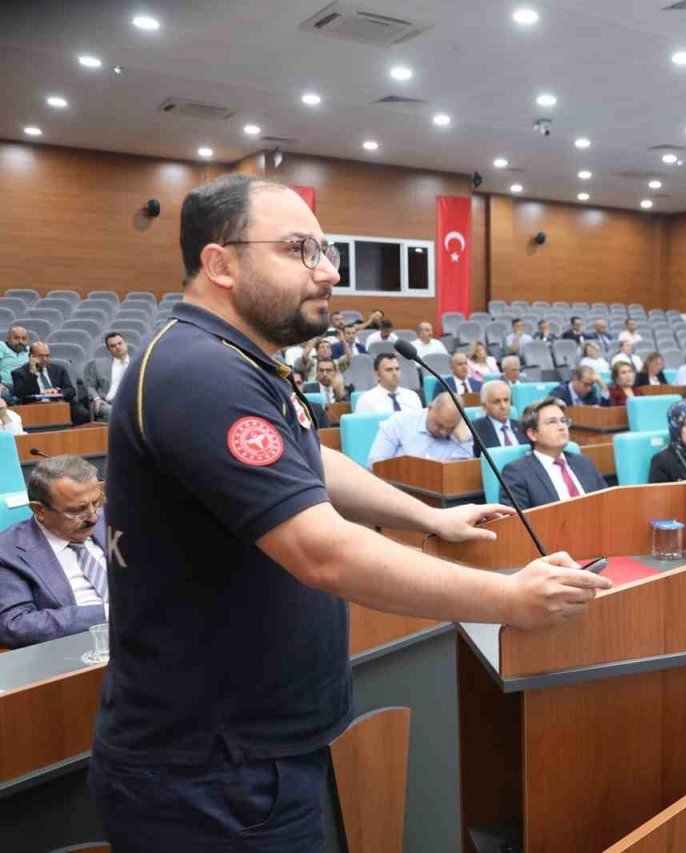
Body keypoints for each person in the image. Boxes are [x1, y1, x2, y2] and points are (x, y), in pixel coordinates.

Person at [91, 175, 609, 851]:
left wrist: (427, 516)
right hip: (212, 770)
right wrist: (508, 596)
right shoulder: (198, 372)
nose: (329, 270)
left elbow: (309, 463)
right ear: (220, 264)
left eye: (326, 249)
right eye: (300, 249)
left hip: (248, 755)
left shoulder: (243, 360)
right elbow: (323, 551)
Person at [0, 455, 108, 649]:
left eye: (96, 502)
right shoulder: (8, 551)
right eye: (77, 510)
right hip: (78, 652)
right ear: (39, 510)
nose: (93, 517)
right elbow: (15, 625)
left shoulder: (112, 519)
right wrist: (108, 613)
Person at [500, 397, 608, 509]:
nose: (562, 427)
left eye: (563, 421)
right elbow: (515, 522)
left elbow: (608, 502)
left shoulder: (584, 462)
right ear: (532, 434)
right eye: (552, 422)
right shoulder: (516, 473)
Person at [366, 393, 474, 464]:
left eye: (450, 428)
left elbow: (462, 475)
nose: (443, 432)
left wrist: (464, 442)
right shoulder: (399, 422)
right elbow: (375, 463)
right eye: (439, 425)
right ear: (430, 408)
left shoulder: (462, 433)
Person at [12, 342, 90, 424]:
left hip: (60, 403)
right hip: (35, 406)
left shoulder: (59, 369)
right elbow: (20, 393)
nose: (45, 359)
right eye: (41, 356)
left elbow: (71, 390)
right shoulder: (19, 373)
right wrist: (32, 373)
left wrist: (58, 391)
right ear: (31, 356)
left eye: (47, 355)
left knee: (83, 414)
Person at [82, 331, 131, 422]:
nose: (117, 347)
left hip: (133, 403)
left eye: (120, 343)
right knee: (113, 412)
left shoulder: (139, 363)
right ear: (108, 349)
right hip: (106, 403)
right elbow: (90, 386)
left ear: (126, 344)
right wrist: (96, 398)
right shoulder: (97, 365)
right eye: (113, 346)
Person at [355, 353, 423, 414]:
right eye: (389, 370)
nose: (395, 373)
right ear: (377, 374)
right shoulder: (366, 400)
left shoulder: (412, 396)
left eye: (397, 369)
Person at [471, 380, 528, 451]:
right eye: (497, 402)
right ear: (484, 406)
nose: (503, 406)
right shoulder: (474, 429)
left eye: (506, 400)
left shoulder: (523, 427)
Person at [0, 325, 30, 396]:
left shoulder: (30, 351)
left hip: (25, 387)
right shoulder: (2, 346)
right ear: (9, 338)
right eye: (16, 338)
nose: (20, 341)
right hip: (5, 386)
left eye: (24, 339)